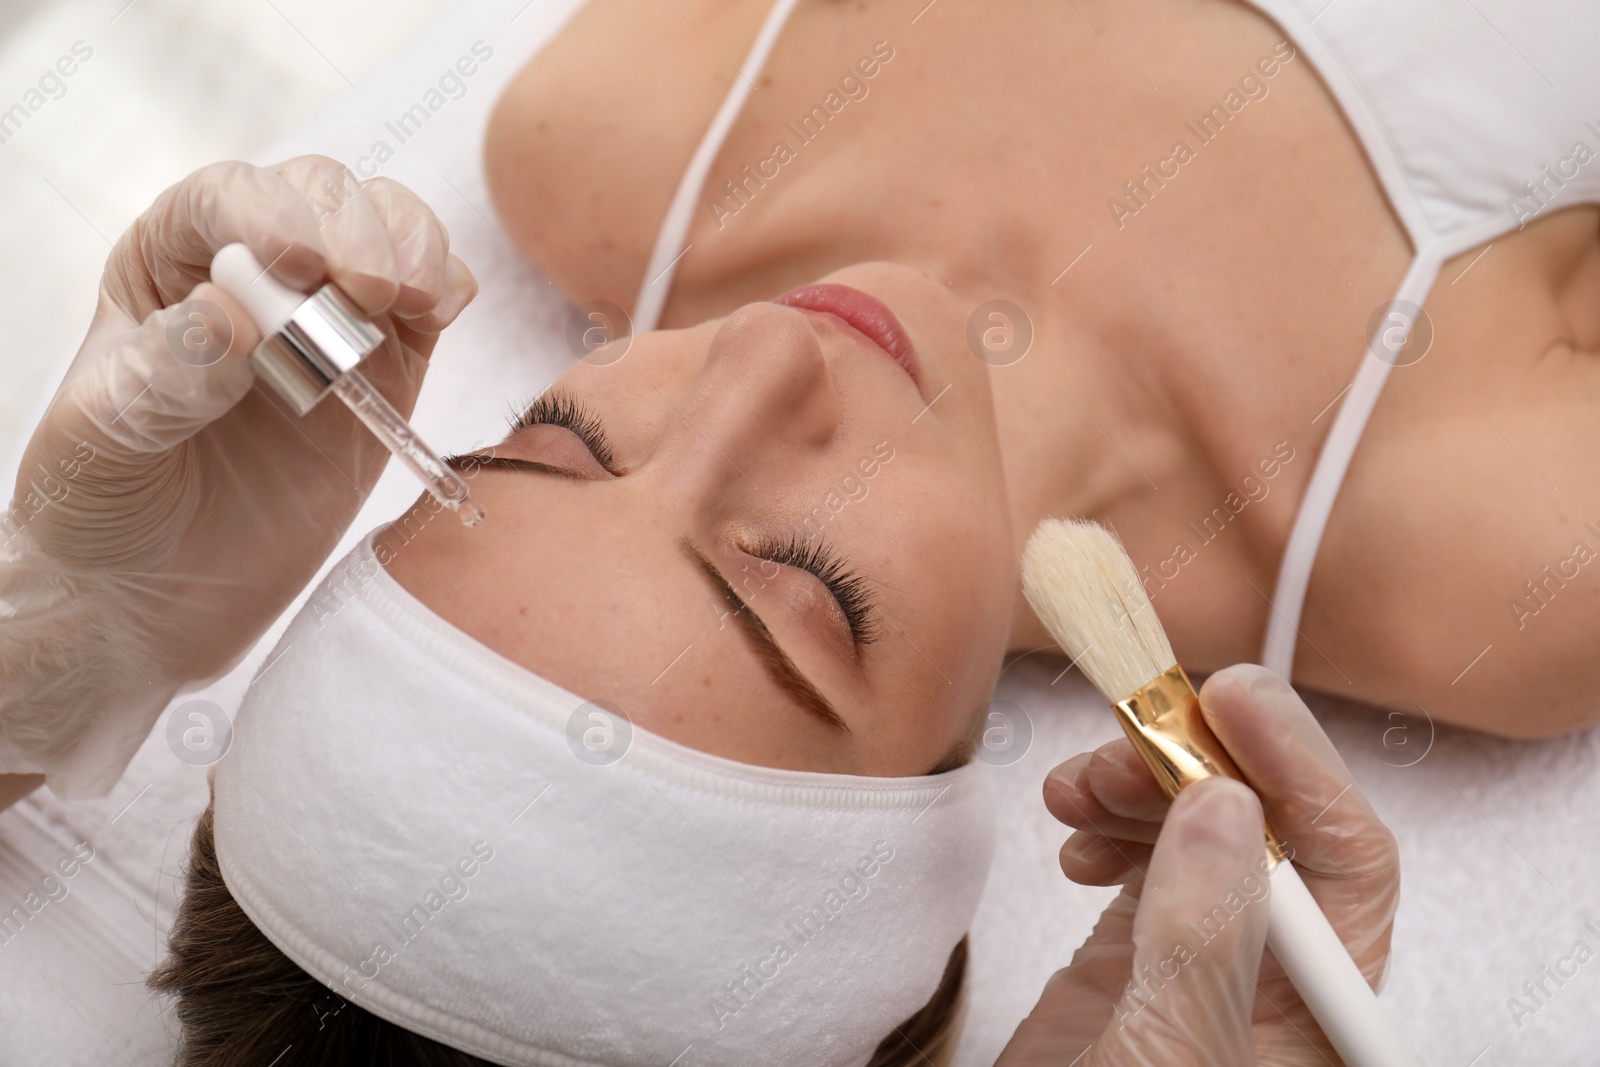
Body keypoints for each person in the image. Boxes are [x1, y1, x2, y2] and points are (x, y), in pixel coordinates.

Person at [0, 163, 1400, 1064]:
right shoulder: (1455, 535)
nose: (763, 347)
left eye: (546, 440)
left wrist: (50, 653)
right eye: (809, 586)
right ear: (949, 809)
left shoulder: (600, 133)